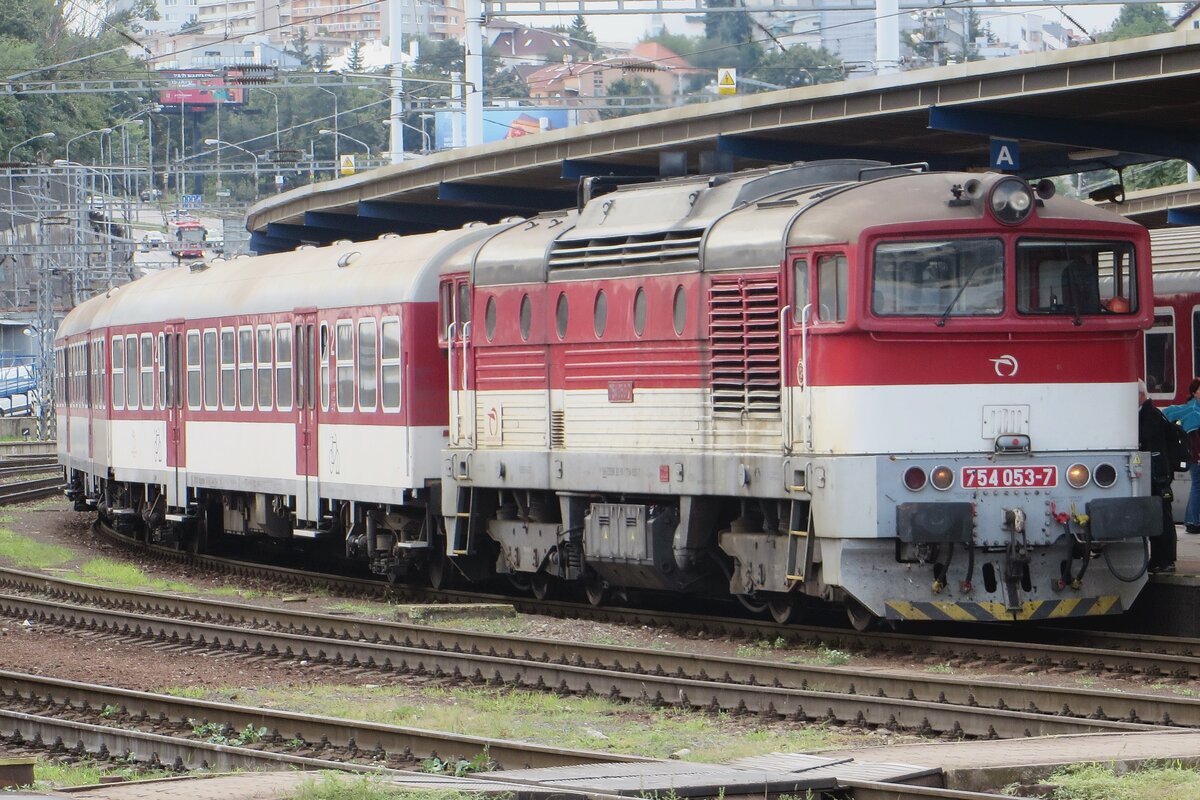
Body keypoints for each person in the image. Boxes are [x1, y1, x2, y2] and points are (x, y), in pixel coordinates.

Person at [1139, 380, 1176, 572]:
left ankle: (1165, 560)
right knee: (1160, 516)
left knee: (1161, 517)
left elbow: (1150, 447)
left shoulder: (1149, 417)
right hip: (1158, 473)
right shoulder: (1153, 415)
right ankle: (1160, 559)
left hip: (1157, 475)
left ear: (1139, 395)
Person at [1164, 378, 1200, 535]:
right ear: (1194, 392)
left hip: (1195, 455)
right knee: (1197, 487)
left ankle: (1190, 520)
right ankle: (1193, 521)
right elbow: (1195, 437)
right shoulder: (1193, 411)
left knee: (1197, 487)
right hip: (1197, 456)